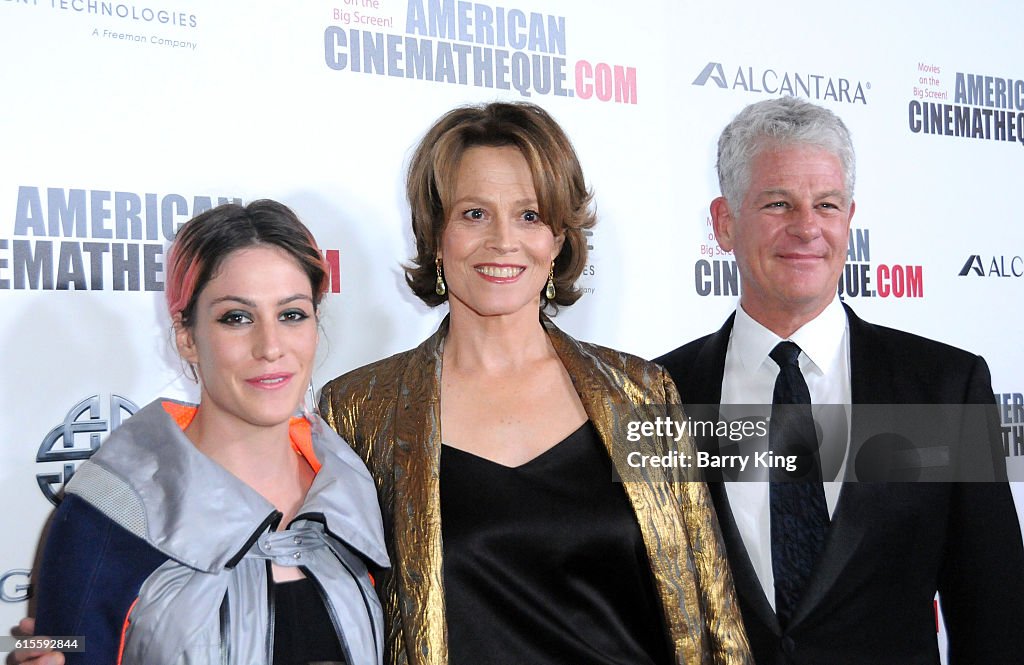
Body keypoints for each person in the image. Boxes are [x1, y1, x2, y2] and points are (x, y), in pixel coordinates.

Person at [319, 101, 752, 665]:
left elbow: (714, 612)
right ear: (435, 232)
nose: (504, 240)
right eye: (474, 213)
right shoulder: (361, 411)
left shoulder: (641, 393)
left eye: (529, 215)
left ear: (559, 238)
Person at [655, 96, 1024, 664]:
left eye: (826, 205)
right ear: (724, 223)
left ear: (849, 219)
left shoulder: (944, 388)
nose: (806, 228)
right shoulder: (660, 396)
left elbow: (995, 613)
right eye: (778, 203)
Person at [30, 200, 389, 665]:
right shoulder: (112, 513)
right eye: (237, 318)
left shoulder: (356, 489)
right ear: (186, 336)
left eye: (292, 314)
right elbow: (53, 646)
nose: (271, 347)